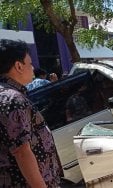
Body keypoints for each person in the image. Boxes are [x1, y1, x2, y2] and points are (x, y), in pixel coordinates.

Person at [0, 39, 62, 187]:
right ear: (19, 66)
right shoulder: (12, 99)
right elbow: (22, 152)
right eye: (30, 63)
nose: (33, 68)